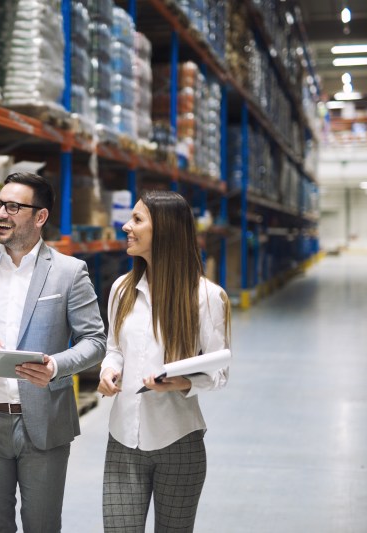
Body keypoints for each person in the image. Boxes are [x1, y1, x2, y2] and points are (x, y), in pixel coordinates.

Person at [0, 171, 106, 533]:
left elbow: (95, 341)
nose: (0, 214)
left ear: (39, 216)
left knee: (42, 526)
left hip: (43, 424)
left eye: (13, 207)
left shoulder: (69, 272)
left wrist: (56, 365)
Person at [97, 190, 231, 532]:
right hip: (123, 440)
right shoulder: (121, 290)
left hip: (179, 442)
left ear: (166, 230)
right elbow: (114, 347)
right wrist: (109, 370)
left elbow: (219, 373)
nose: (127, 226)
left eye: (138, 220)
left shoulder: (206, 297)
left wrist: (184, 382)